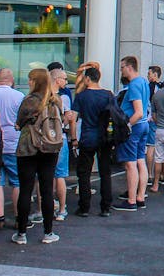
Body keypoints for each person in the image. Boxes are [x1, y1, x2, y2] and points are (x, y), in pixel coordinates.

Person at [12, 68, 62, 245]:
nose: (29, 82)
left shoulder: (29, 101)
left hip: (28, 148)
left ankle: (21, 233)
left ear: (36, 82)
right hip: (49, 148)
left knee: (25, 190)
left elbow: (18, 123)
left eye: (30, 79)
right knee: (47, 190)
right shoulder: (55, 101)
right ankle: (48, 232)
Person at [70, 65, 114, 217]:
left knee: (84, 173)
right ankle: (106, 206)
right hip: (104, 138)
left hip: (87, 136)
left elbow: (73, 119)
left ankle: (84, 207)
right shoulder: (108, 95)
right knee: (105, 172)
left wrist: (74, 138)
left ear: (87, 79)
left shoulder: (81, 96)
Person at [0, 68, 23, 231]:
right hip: (13, 143)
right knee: (17, 182)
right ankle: (18, 217)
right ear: (11, 79)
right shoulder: (19, 96)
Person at [114, 56, 151, 212]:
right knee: (140, 160)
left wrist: (127, 126)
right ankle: (140, 197)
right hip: (144, 126)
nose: (121, 70)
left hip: (135, 126)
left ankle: (131, 200)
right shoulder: (143, 82)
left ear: (129, 67)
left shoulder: (134, 85)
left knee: (130, 164)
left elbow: (138, 112)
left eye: (122, 67)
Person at [49, 68, 72, 222]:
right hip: (60, 138)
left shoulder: (43, 97)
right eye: (64, 78)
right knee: (60, 175)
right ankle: (62, 209)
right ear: (57, 80)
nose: (66, 81)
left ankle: (46, 207)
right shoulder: (63, 98)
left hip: (45, 139)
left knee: (46, 175)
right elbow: (66, 120)